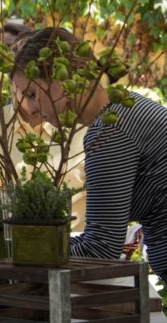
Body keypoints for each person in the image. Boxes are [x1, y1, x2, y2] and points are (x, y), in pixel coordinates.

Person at [11, 26, 167, 282]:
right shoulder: (124, 106)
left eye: (32, 94)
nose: (31, 108)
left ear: (62, 79)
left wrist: (21, 254)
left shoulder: (109, 131)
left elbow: (100, 249)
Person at [0, 22, 88, 231]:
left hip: (75, 250)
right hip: (10, 248)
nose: (36, 103)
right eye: (28, 93)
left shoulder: (79, 125)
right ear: (13, 83)